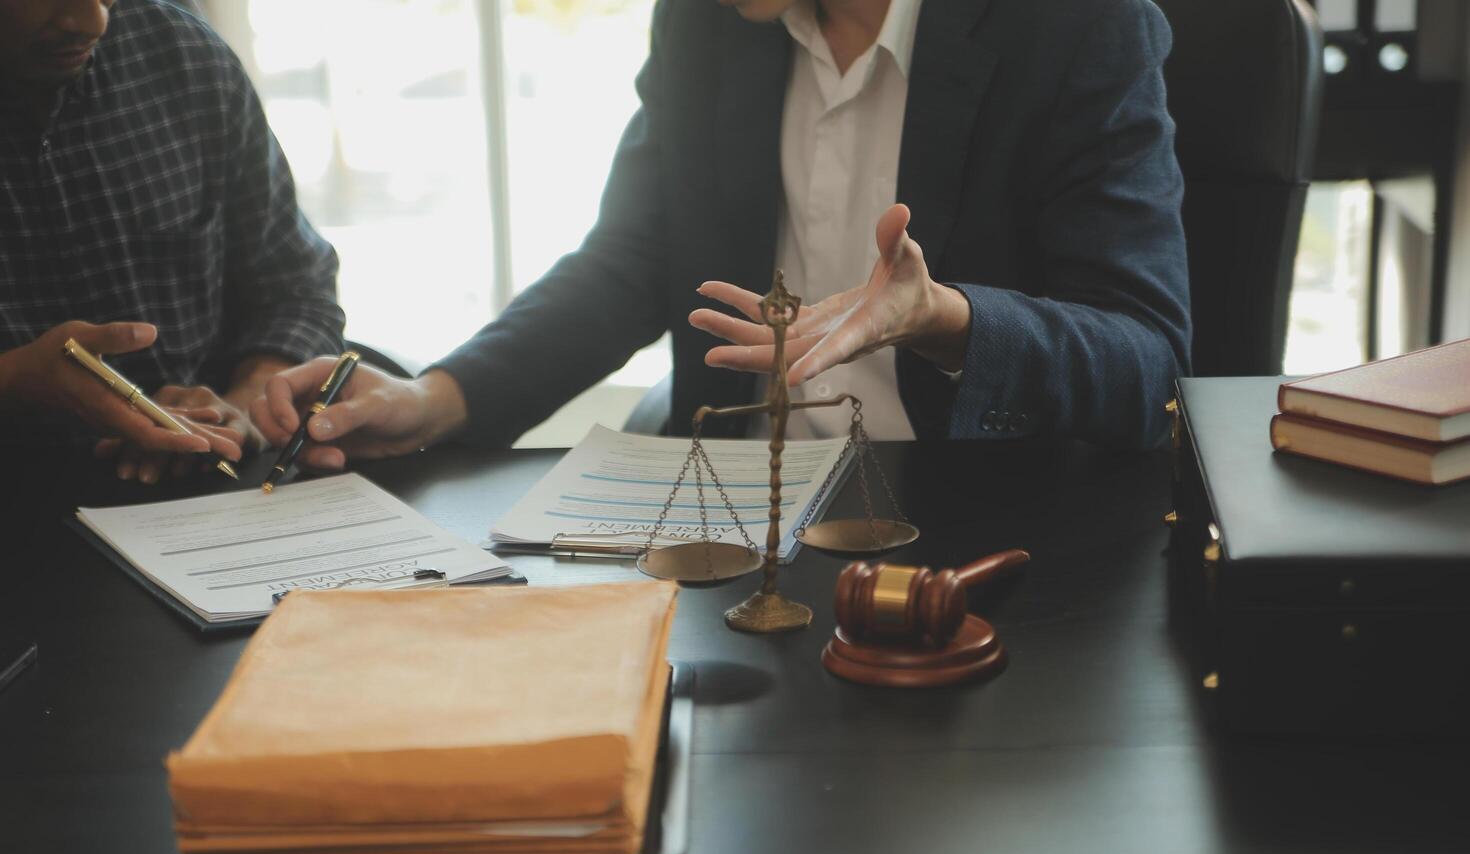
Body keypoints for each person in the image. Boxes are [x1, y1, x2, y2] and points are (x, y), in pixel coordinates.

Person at [255, 0, 1189, 470]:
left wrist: (947, 319)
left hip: (980, 537)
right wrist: (438, 398)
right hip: (742, 514)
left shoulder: (1079, 26)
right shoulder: (714, 21)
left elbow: (1148, 361)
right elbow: (635, 260)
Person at [0, 0, 345, 483]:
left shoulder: (181, 55)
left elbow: (295, 286)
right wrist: (14, 381)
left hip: (215, 476)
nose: (93, 21)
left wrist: (245, 403)